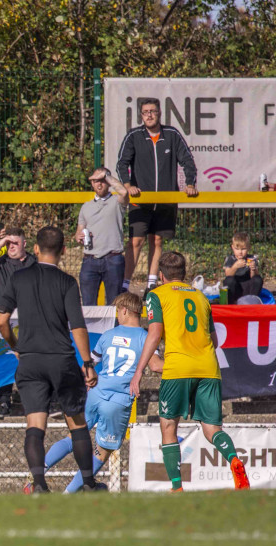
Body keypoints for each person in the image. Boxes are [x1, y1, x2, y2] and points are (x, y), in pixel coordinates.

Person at [0, 226, 104, 493]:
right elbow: (77, 326)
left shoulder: (18, 278)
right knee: (76, 423)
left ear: (34, 248)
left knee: (35, 424)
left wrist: (16, 346)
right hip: (62, 360)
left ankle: (39, 484)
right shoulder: (67, 282)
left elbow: (1, 321)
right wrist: (87, 363)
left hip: (30, 360)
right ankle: (88, 484)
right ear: (64, 251)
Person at [131, 251, 250, 491]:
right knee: (212, 429)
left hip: (178, 368)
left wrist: (139, 371)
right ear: (184, 275)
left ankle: (177, 486)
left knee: (168, 425)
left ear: (162, 275)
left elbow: (154, 333)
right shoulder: (201, 297)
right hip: (208, 367)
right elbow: (215, 341)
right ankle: (234, 460)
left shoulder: (157, 295)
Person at [32, 292, 163, 493]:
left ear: (125, 311)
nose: (117, 316)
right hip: (117, 401)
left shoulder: (108, 335)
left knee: (72, 437)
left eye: (118, 311)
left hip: (95, 393)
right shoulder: (146, 338)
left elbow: (89, 365)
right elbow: (156, 366)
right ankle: (67, 495)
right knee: (101, 452)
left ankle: (36, 476)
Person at [116, 97, 198, 293]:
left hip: (165, 202)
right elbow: (122, 163)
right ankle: (125, 285)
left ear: (160, 113)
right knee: (135, 241)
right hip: (140, 201)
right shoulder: (134, 135)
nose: (149, 115)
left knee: (157, 240)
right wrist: (128, 186)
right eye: (145, 112)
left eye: (153, 111)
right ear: (141, 115)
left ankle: (151, 284)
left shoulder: (172, 134)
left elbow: (187, 160)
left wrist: (189, 184)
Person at [0, 227, 36, 419]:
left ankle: (41, 400)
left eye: (15, 243)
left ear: (25, 244)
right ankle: (4, 401)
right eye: (9, 243)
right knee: (6, 360)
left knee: (36, 361)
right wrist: (0, 244)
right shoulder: (2, 262)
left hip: (32, 319)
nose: (12, 247)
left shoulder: (33, 262)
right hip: (7, 320)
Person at [75, 168, 129, 305]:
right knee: (88, 306)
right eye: (96, 181)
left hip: (113, 258)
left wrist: (107, 175)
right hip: (90, 260)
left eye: (103, 181)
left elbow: (124, 191)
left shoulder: (117, 202)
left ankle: (113, 327)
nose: (99, 184)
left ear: (108, 182)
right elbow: (79, 231)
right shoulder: (86, 207)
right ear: (92, 184)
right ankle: (91, 328)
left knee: (114, 305)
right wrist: (79, 236)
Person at [222, 232, 263, 303]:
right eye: (237, 249)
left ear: (248, 248)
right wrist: (235, 266)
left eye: (243, 249)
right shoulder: (230, 259)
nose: (240, 252)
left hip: (247, 288)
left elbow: (254, 277)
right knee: (229, 280)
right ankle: (231, 302)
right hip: (236, 288)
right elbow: (227, 274)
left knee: (258, 279)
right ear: (232, 247)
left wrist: (253, 269)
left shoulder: (252, 258)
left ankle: (252, 301)